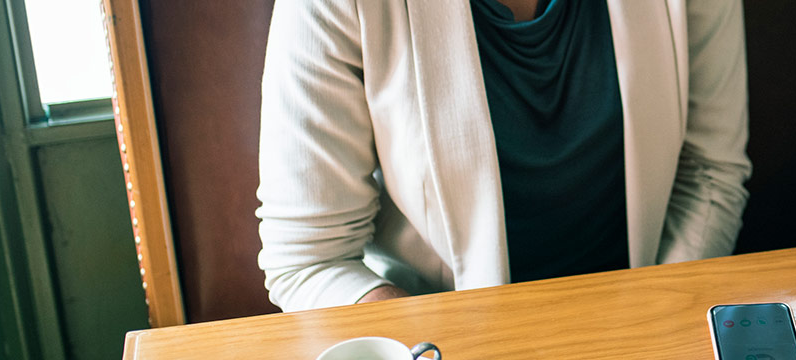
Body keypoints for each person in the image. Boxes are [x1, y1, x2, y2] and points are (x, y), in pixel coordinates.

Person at [256, 0, 750, 311]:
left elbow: (710, 173)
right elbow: (311, 260)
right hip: (443, 337)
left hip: (643, 320)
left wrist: (657, 321)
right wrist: (433, 349)